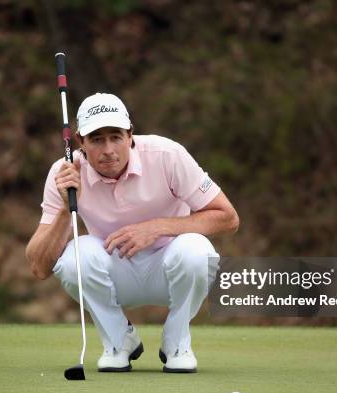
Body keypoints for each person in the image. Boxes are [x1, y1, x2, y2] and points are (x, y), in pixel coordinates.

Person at [26, 93, 239, 373]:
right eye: (97, 139)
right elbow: (39, 266)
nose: (108, 150)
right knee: (74, 258)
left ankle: (177, 341)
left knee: (197, 251)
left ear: (130, 135)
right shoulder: (65, 174)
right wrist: (67, 211)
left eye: (115, 137)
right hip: (113, 271)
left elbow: (228, 218)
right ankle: (118, 341)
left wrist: (158, 227)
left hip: (172, 267)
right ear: (81, 142)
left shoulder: (167, 155)